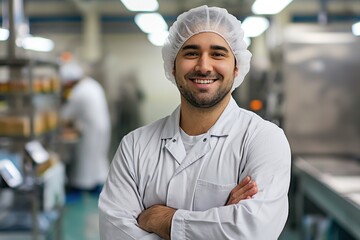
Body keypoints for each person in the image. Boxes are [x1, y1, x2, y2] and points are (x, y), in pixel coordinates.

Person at [99, 5, 291, 240]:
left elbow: (253, 230)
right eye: (191, 53)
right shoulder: (134, 146)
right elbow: (114, 233)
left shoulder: (264, 139)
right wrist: (222, 218)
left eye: (218, 54)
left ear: (237, 66)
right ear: (173, 65)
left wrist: (160, 219)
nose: (204, 66)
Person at [60, 60, 111, 197]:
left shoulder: (78, 92)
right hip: (102, 126)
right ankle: (97, 184)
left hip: (90, 129)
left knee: (85, 159)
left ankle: (80, 187)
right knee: (97, 156)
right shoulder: (92, 84)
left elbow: (66, 115)